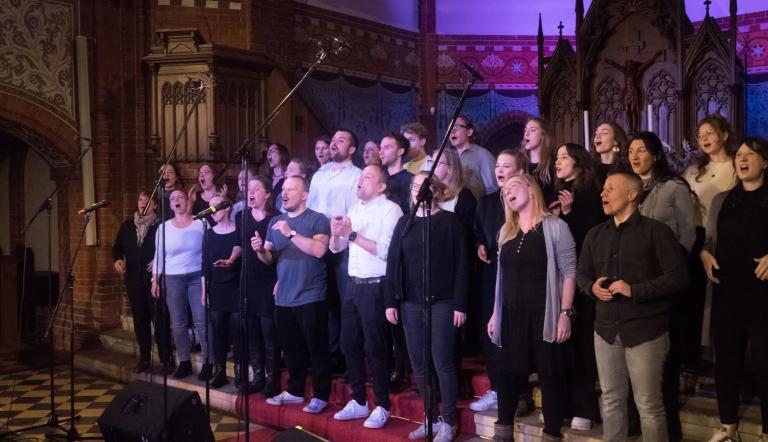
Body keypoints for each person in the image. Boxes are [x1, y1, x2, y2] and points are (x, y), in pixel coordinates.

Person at [576, 171, 688, 442]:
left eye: (610, 189)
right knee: (612, 400)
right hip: (605, 331)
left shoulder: (655, 232)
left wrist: (634, 290)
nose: (603, 194)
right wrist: (592, 288)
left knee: (648, 406)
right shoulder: (595, 234)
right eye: (603, 189)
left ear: (632, 195)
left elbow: (679, 277)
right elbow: (582, 275)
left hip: (645, 331)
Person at [488, 174, 577, 442]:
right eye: (504, 191)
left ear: (530, 188)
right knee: (506, 374)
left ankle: (551, 434)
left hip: (544, 313)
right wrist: (495, 313)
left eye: (513, 186)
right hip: (512, 314)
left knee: (549, 376)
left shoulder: (555, 227)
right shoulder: (506, 231)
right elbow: (500, 279)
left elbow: (570, 273)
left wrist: (565, 313)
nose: (508, 192)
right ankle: (503, 433)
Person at [386, 173, 468, 442]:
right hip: (410, 303)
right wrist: (391, 301)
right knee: (419, 366)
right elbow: (393, 264)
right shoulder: (404, 224)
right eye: (414, 186)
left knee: (442, 363)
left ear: (435, 189)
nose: (418, 190)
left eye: (424, 185)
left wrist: (460, 303)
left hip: (443, 303)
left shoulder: (450, 222)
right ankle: (430, 418)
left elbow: (462, 266)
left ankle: (449, 421)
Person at [628, 131, 697, 441]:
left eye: (641, 150)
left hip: (666, 283)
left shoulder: (674, 187)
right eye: (631, 151)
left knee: (664, 359)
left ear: (655, 155)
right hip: (633, 285)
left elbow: (688, 235)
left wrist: (670, 270)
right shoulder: (627, 189)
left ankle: (669, 427)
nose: (634, 155)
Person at [700, 137, 768, 442]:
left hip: (763, 296)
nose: (743, 159)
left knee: (765, 364)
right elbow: (708, 240)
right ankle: (728, 428)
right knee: (725, 362)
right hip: (727, 293)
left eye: (751, 154)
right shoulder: (722, 200)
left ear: (765, 162)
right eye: (740, 154)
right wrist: (703, 254)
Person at [330, 165, 403, 429]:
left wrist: (350, 233)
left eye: (367, 178)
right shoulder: (355, 209)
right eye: (360, 178)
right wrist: (336, 233)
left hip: (376, 286)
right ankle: (359, 400)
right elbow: (338, 248)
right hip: (353, 283)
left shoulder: (391, 210)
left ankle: (382, 404)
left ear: (382, 186)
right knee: (348, 343)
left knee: (376, 348)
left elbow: (385, 251)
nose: (360, 182)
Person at [254, 176, 332, 414]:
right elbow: (269, 258)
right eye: (284, 189)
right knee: (291, 349)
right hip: (284, 296)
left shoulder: (317, 219)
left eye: (291, 189)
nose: (285, 194)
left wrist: (290, 234)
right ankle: (296, 391)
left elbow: (319, 250)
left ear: (305, 194)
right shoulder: (275, 221)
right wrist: (260, 250)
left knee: (316, 349)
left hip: (311, 295)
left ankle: (321, 395)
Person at [682, 114, 738, 391]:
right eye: (700, 134)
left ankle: (724, 363)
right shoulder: (693, 171)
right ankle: (692, 363)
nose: (703, 138)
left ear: (725, 135)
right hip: (696, 240)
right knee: (695, 303)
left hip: (726, 240)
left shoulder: (737, 166)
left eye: (710, 133)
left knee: (721, 302)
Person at [470, 149, 527, 413]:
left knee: (516, 334)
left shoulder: (526, 201)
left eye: (507, 166)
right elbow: (479, 232)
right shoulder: (486, 202)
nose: (500, 170)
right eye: (499, 166)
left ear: (520, 171)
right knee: (490, 333)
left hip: (518, 274)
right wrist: (481, 244)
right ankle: (495, 389)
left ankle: (521, 393)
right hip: (491, 272)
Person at [553, 143, 605, 431]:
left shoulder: (590, 194)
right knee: (562, 347)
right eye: (557, 157)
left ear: (578, 162)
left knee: (583, 345)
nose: (558, 161)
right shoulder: (554, 194)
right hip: (557, 280)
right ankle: (562, 405)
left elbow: (591, 237)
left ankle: (585, 407)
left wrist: (569, 214)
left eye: (564, 157)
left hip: (584, 280)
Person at [308, 128, 363, 372]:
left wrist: (339, 230)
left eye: (341, 140)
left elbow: (355, 210)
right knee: (324, 301)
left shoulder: (356, 175)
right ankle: (330, 355)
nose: (334, 143)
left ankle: (348, 355)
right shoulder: (319, 174)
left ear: (351, 149)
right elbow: (310, 207)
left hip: (342, 245)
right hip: (318, 243)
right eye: (332, 139)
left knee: (344, 302)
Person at [151, 190, 212, 380]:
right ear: (170, 205)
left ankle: (208, 362)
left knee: (202, 319)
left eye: (180, 197)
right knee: (178, 322)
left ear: (188, 201)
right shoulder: (163, 228)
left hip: (196, 276)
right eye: (173, 199)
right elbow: (159, 255)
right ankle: (184, 362)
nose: (177, 200)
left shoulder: (201, 223)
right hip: (173, 277)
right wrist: (155, 280)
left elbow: (210, 251)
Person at [112, 191, 171, 374]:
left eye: (147, 201)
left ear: (155, 206)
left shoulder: (161, 226)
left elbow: (169, 248)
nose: (143, 203)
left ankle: (165, 360)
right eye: (140, 200)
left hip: (154, 280)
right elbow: (117, 247)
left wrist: (159, 259)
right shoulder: (128, 225)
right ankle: (144, 359)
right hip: (134, 280)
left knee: (159, 320)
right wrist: (118, 260)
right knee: (140, 320)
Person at [240, 176, 280, 396]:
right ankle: (257, 377)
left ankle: (272, 379)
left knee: (268, 332)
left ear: (267, 194)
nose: (251, 193)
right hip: (248, 282)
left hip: (268, 281)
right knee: (252, 332)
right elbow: (238, 245)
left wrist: (260, 250)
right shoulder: (242, 216)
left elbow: (278, 256)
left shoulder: (275, 220)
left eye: (256, 189)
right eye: (249, 189)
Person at [201, 195, 242, 389]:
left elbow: (241, 251)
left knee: (237, 331)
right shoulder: (209, 234)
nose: (212, 211)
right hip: (216, 288)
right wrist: (204, 291)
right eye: (209, 207)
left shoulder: (238, 229)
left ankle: (240, 372)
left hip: (235, 287)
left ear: (226, 208)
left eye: (215, 207)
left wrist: (231, 260)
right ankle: (220, 372)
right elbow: (205, 265)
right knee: (218, 333)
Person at [449, 115, 498, 199]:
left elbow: (493, 189)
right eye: (450, 127)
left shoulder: (482, 154)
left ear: (469, 132)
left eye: (456, 127)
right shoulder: (450, 158)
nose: (452, 131)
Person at [522, 118, 556, 204]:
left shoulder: (554, 164)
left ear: (543, 135)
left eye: (532, 130)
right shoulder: (520, 162)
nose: (527, 133)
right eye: (525, 130)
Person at [380, 131, 413, 214]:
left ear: (400, 151)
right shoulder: (379, 179)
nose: (381, 152)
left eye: (387, 148)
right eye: (381, 148)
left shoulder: (411, 180)